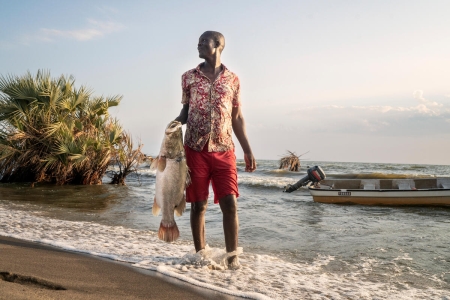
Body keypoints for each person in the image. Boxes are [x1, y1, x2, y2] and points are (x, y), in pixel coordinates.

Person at [175, 31, 256, 269]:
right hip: (195, 149)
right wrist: (175, 124)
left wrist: (247, 150)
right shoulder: (188, 77)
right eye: (198, 41)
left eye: (203, 42)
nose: (198, 45)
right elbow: (185, 112)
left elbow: (237, 117)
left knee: (229, 203)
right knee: (198, 204)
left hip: (224, 149)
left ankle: (233, 257)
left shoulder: (233, 79)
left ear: (218, 45)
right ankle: (201, 255)